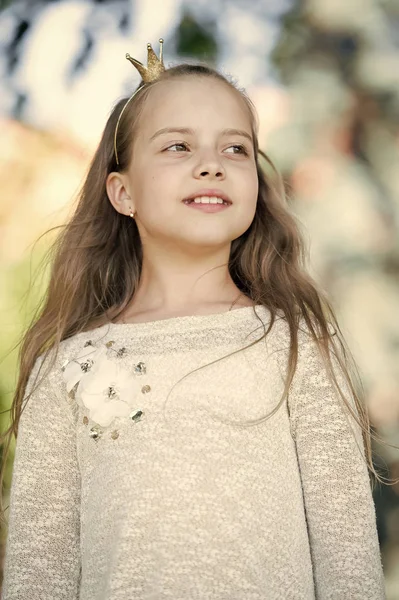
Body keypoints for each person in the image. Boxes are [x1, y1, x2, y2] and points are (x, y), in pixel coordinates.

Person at [1, 39, 391, 599]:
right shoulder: (67, 367)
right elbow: (40, 572)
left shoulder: (295, 344)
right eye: (178, 146)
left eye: (235, 149)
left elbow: (347, 553)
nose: (211, 164)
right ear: (123, 191)